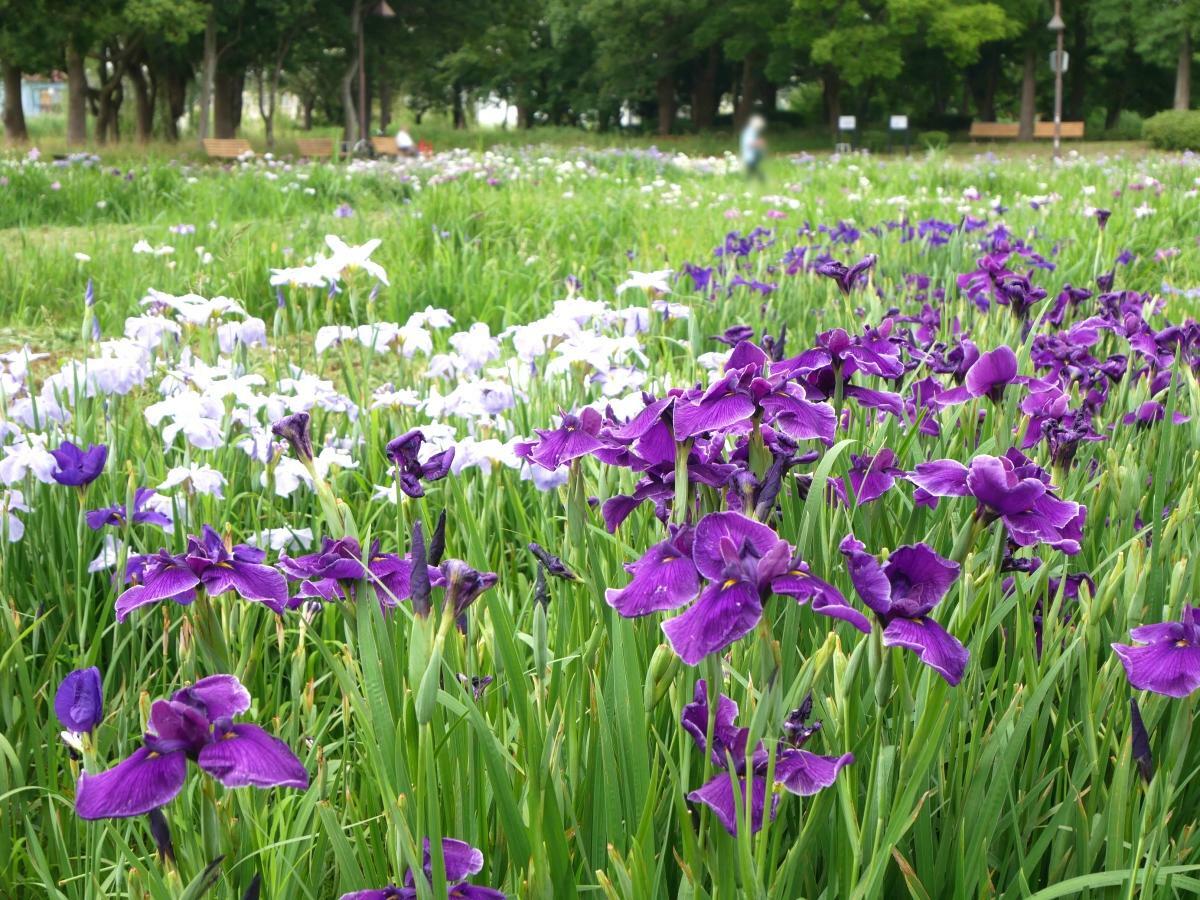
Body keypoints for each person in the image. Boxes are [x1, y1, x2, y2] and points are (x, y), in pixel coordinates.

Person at [740, 114, 766, 180]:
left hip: (752, 156)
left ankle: (748, 181)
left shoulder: (752, 132)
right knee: (754, 170)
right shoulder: (750, 132)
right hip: (750, 156)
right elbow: (749, 143)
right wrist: (759, 142)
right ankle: (762, 181)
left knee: (752, 170)